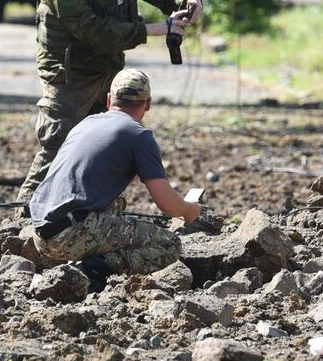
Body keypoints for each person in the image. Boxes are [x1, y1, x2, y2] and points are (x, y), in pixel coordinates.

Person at [20, 0, 204, 196]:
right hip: (70, 76)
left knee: (100, 152)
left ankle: (87, 218)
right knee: (57, 151)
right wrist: (157, 29)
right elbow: (90, 29)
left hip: (107, 70)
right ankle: (18, 225)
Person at [28, 69, 200, 289]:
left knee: (117, 203)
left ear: (109, 100)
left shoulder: (86, 123)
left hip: (41, 233)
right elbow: (167, 205)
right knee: (169, 244)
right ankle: (97, 268)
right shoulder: (139, 135)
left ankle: (82, 256)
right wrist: (189, 210)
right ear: (147, 104)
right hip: (70, 234)